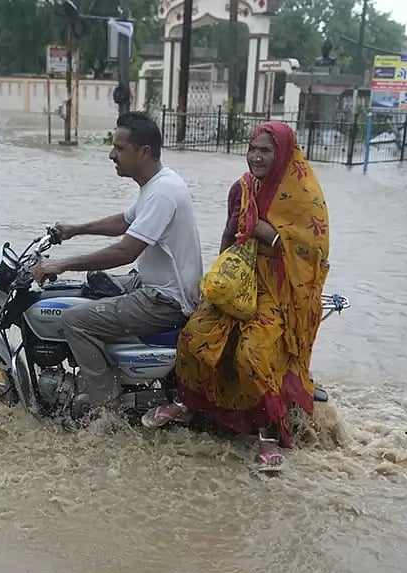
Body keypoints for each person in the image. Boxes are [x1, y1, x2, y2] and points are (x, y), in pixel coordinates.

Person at [142, 121, 332, 471]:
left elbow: (310, 252)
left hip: (279, 291)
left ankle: (267, 436)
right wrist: (217, 281)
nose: (256, 157)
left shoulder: (303, 196)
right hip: (240, 281)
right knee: (196, 336)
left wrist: (267, 234)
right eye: (252, 148)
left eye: (265, 150)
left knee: (252, 353)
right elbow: (229, 235)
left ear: (283, 153)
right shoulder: (241, 189)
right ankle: (189, 406)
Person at [32, 111, 203, 420]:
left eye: (119, 148)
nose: (112, 154)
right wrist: (75, 229)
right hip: (153, 285)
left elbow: (127, 250)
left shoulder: (163, 192)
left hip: (165, 300)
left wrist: (62, 264)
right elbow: (125, 222)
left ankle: (108, 410)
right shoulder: (157, 184)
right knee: (82, 288)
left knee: (75, 320)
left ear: (144, 152)